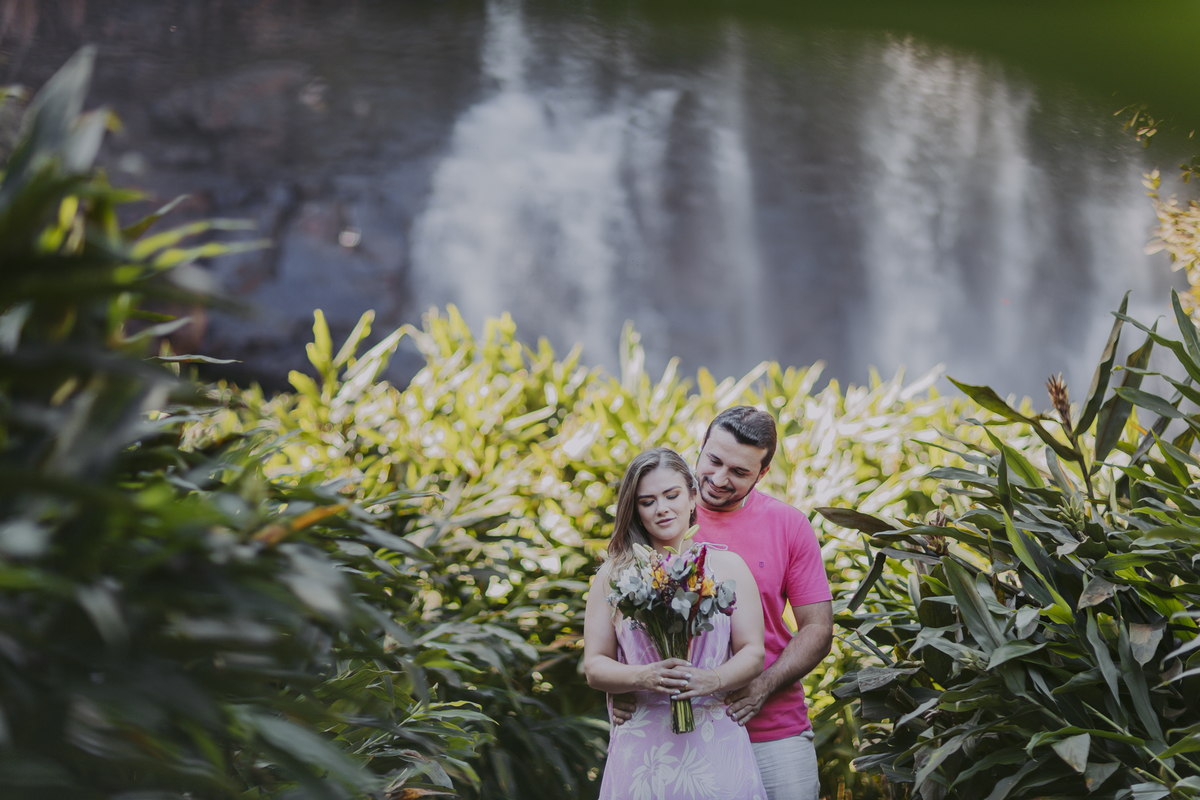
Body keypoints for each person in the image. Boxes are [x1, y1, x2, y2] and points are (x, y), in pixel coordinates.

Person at [612, 407, 834, 800]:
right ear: (701, 446)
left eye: (739, 472)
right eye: (713, 460)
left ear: (762, 474)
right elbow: (617, 615)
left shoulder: (788, 525)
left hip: (773, 731)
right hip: (677, 735)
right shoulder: (661, 511)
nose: (718, 479)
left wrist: (763, 685)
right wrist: (622, 685)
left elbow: (817, 627)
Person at [583, 447, 767, 800]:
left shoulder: (729, 568)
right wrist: (642, 676)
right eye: (647, 501)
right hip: (643, 746)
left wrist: (711, 679)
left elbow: (753, 653)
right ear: (635, 510)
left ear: (692, 495)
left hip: (715, 738)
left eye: (671, 495)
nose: (662, 508)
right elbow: (595, 665)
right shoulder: (613, 576)